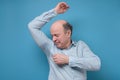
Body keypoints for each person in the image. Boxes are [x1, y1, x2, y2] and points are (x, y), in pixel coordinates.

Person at [28, 2, 101, 80]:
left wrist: (68, 60)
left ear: (68, 33)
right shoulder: (49, 47)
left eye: (56, 35)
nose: (53, 39)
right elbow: (32, 26)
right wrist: (55, 11)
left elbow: (96, 64)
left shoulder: (80, 46)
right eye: (52, 35)